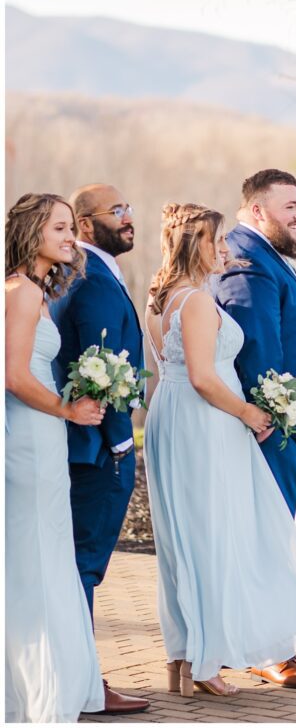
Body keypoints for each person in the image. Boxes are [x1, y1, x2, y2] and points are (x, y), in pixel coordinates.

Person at [144, 203, 296, 699]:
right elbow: (205, 377)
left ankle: (183, 660)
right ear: (197, 244)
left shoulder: (160, 297)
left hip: (175, 415)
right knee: (213, 538)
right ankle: (207, 661)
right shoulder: (198, 302)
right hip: (207, 420)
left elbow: (174, 371)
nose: (227, 250)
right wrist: (251, 413)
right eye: (219, 241)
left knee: (185, 542)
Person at [215, 169, 296, 689]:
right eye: (290, 206)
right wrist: (275, 411)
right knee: (266, 535)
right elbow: (257, 345)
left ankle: (257, 643)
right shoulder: (246, 261)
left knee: (273, 533)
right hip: (275, 424)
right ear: (258, 209)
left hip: (289, 422)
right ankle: (264, 651)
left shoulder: (268, 254)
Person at [50, 183, 150, 715]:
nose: (128, 217)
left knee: (78, 564)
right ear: (86, 225)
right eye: (117, 210)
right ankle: (87, 682)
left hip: (86, 446)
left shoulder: (94, 275)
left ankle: (80, 673)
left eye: (129, 207)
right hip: (93, 450)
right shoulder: (89, 284)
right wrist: (117, 441)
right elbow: (98, 364)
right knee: (84, 565)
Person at [5, 193, 105, 722]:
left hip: (40, 432)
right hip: (30, 433)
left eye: (72, 228)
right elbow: (15, 375)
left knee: (42, 550)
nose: (72, 237)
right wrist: (66, 410)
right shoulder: (20, 292)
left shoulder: (34, 291)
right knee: (37, 553)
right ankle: (36, 691)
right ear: (32, 232)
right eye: (61, 228)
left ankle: (44, 682)